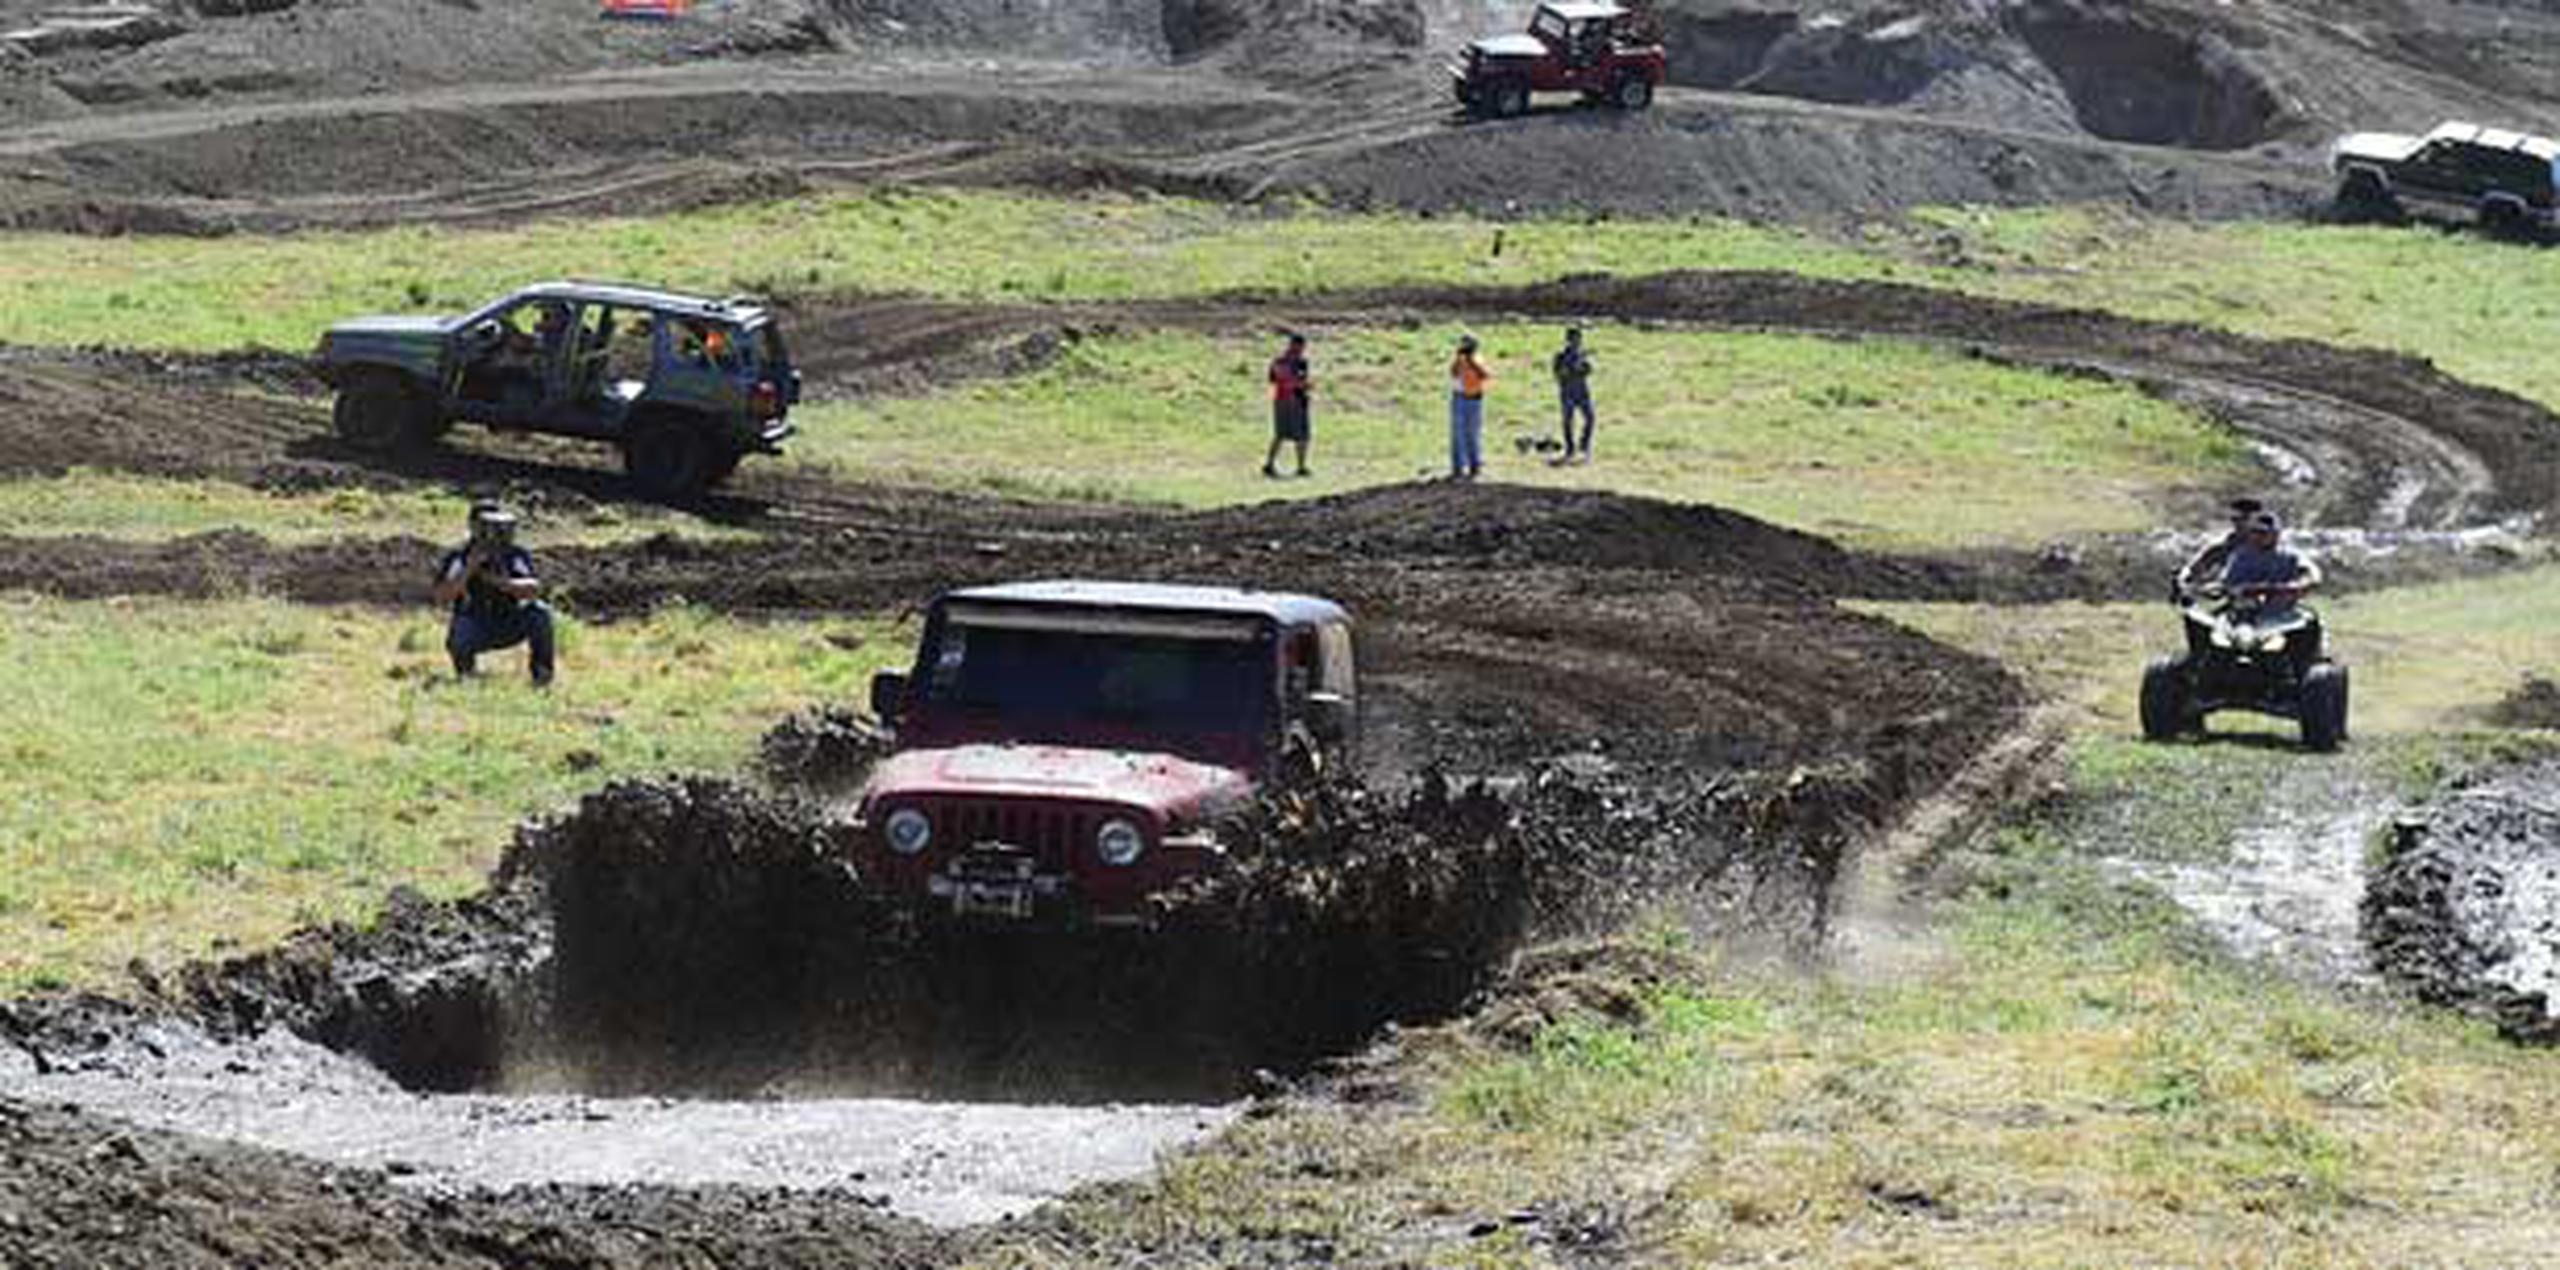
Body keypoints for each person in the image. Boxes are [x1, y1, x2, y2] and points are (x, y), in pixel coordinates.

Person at [435, 502, 556, 687]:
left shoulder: (514, 554)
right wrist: (469, 568)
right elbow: (442, 597)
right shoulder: (459, 556)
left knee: (540, 613)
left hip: (509, 620)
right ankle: (466, 674)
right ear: (473, 525)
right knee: (459, 635)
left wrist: (500, 581)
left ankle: (542, 674)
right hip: (474, 622)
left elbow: (533, 588)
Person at [2219, 509, 2325, 672]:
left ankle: (2304, 668)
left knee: (2309, 625)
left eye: (2263, 533)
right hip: (2243, 615)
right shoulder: (2240, 556)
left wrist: (2298, 585)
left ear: (2276, 534)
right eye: (2253, 532)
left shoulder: (2290, 556)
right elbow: (2225, 582)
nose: (2257, 537)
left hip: (2281, 615)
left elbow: (2313, 575)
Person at [2176, 496, 2265, 594]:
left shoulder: (2272, 545)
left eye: (2244, 519)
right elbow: (2197, 566)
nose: (2238, 524)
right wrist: (2184, 578)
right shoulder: (2224, 545)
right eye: (2234, 519)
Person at [1265, 333, 1312, 479]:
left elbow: (1299, 380)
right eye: (1299, 346)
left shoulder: (1301, 362)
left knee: (1301, 436)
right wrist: (1300, 384)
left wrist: (1302, 386)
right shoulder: (1281, 362)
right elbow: (1280, 379)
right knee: (1283, 435)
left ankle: (1300, 466)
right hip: (1287, 400)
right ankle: (1271, 464)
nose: (1300, 350)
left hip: (1296, 400)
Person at [1449, 334, 1491, 481]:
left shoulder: (1477, 359)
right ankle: (1458, 468)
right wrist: (1459, 359)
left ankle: (1475, 466)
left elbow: (1485, 375)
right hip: (1460, 398)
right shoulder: (1459, 360)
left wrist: (1470, 361)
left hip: (1474, 399)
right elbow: (1453, 373)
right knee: (1458, 434)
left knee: (1473, 434)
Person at [1552, 327, 1595, 463]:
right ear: (1568, 341)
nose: (1577, 342)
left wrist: (1581, 366)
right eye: (1574, 340)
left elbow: (1589, 370)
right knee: (1568, 423)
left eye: (1578, 340)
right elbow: (1559, 374)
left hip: (1582, 392)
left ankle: (1584, 446)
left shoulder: (1581, 355)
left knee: (1590, 419)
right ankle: (1570, 449)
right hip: (1568, 393)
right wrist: (1570, 368)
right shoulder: (1561, 356)